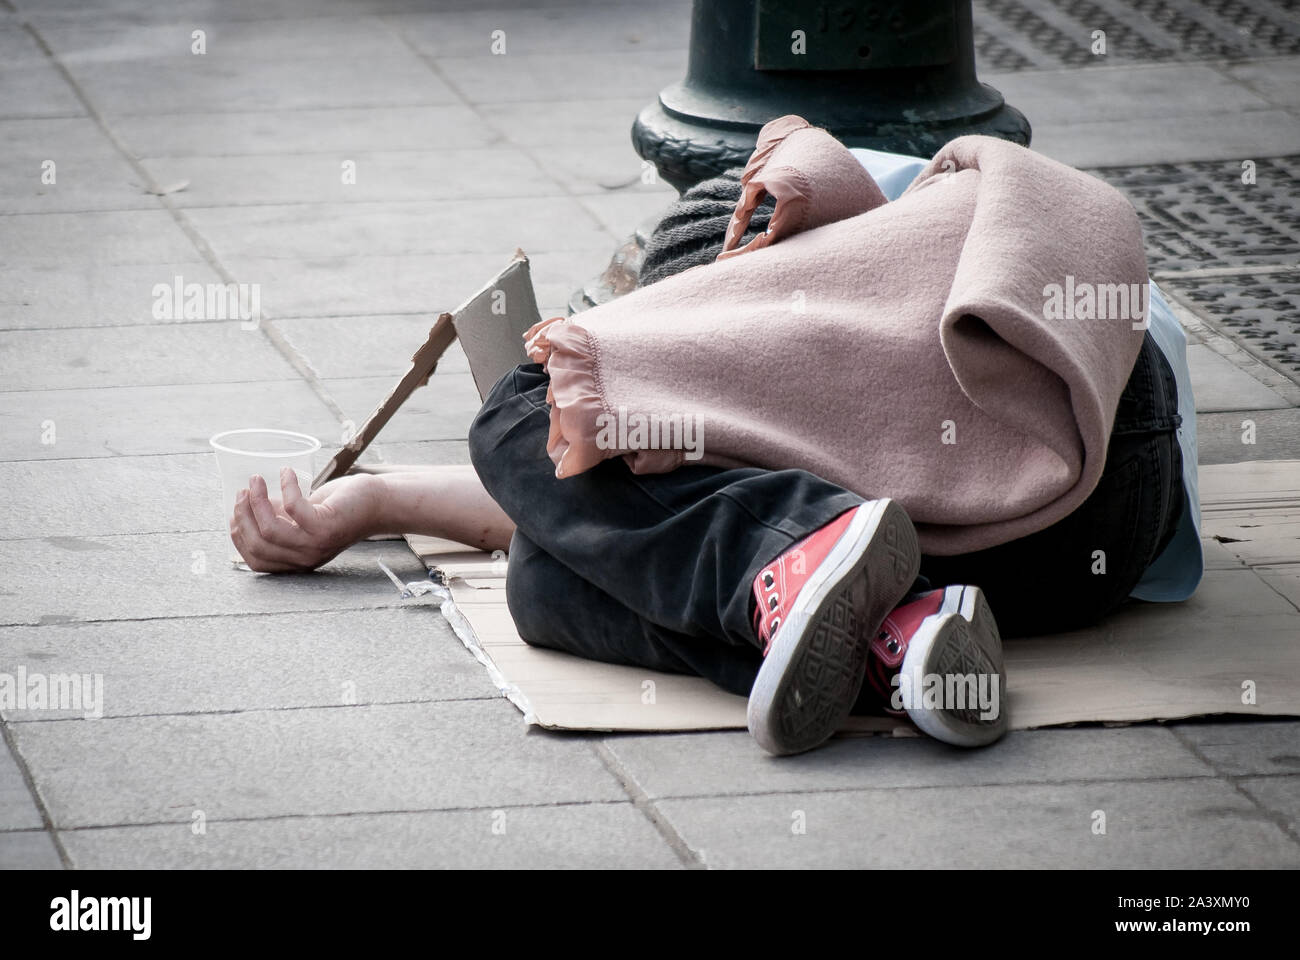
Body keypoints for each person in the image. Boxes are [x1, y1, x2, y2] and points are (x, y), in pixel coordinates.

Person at [229, 119, 1196, 758]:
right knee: (545, 574)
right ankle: (900, 636)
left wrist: (611, 371)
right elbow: (584, 510)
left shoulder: (789, 278)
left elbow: (575, 472)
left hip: (1057, 406)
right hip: (1056, 556)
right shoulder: (858, 237)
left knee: (522, 403)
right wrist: (368, 503)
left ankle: (812, 569)